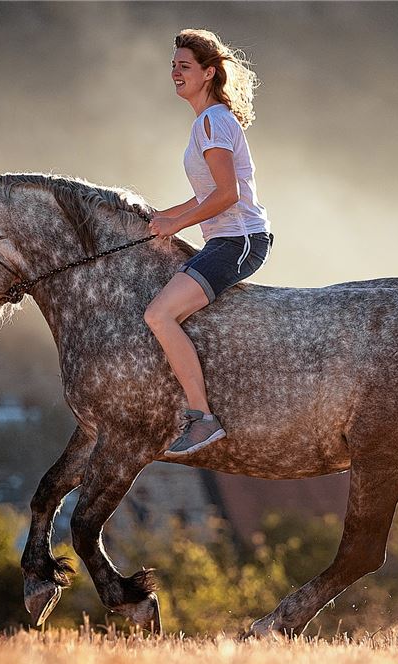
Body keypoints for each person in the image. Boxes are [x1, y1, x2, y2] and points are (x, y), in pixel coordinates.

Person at [145, 29, 272, 455]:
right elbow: (208, 193)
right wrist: (168, 215)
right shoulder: (206, 121)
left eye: (184, 67)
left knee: (159, 315)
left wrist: (178, 225)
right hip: (226, 239)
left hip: (239, 241)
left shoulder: (214, 121)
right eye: (173, 66)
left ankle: (202, 418)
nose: (175, 73)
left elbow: (226, 195)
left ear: (208, 73)